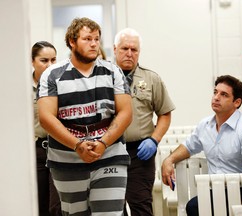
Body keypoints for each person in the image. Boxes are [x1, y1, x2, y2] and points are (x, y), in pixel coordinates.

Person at [37, 17, 133, 216]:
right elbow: (46, 117)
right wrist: (77, 145)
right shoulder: (52, 75)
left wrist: (103, 143)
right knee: (74, 213)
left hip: (109, 153)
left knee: (110, 213)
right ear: (72, 41)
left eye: (97, 39)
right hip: (66, 158)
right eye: (87, 38)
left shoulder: (113, 71)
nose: (94, 44)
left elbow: (125, 112)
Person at [161, 75, 242, 216]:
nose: (216, 97)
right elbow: (188, 147)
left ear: (237, 102)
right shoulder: (205, 125)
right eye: (215, 92)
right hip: (215, 192)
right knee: (192, 207)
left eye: (224, 95)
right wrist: (169, 160)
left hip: (241, 190)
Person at [114, 28, 176, 216]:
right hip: (110, 151)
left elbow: (165, 113)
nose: (129, 53)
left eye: (134, 50)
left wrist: (154, 139)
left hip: (140, 154)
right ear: (115, 49)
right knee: (114, 209)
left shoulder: (151, 79)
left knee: (141, 205)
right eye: (125, 48)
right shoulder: (103, 77)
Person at [32, 41, 61, 216]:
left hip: (58, 147)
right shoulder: (21, 88)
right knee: (39, 203)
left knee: (57, 205)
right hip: (35, 151)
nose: (50, 65)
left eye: (53, 60)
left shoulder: (61, 85)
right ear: (32, 61)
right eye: (44, 60)